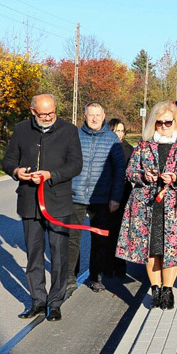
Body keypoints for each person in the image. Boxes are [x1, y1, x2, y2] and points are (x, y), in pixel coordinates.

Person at [117, 101, 177, 310]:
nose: (164, 126)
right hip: (147, 205)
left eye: (168, 122)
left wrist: (175, 177)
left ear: (175, 122)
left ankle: (168, 289)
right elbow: (129, 171)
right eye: (159, 123)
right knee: (151, 249)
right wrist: (142, 175)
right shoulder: (143, 144)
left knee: (172, 250)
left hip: (176, 206)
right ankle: (155, 288)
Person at [4, 94, 83, 322]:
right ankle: (38, 301)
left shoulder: (69, 130)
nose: (47, 118)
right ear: (32, 111)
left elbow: (76, 164)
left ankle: (55, 302)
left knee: (59, 255)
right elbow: (8, 161)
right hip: (29, 201)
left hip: (58, 202)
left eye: (51, 113)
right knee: (33, 255)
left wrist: (51, 175)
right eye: (42, 114)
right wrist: (17, 172)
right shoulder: (21, 130)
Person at [68, 103, 126, 293]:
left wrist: (115, 197)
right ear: (84, 116)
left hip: (101, 198)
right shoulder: (74, 136)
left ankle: (95, 276)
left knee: (99, 241)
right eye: (90, 115)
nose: (94, 119)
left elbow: (120, 170)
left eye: (97, 115)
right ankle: (70, 276)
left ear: (104, 116)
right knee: (72, 239)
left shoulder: (112, 139)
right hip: (75, 196)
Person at [107, 118, 133, 278]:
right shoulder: (104, 148)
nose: (118, 134)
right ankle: (105, 265)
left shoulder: (129, 149)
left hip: (123, 195)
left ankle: (119, 265)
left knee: (119, 232)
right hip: (105, 194)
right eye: (115, 130)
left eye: (121, 131)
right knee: (105, 232)